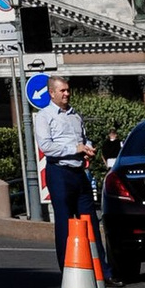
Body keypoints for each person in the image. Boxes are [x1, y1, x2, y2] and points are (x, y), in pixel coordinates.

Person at [34, 74, 94, 272]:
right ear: (52, 93)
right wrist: (74, 149)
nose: (67, 94)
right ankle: (68, 268)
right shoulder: (44, 116)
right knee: (64, 222)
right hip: (59, 172)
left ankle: (102, 269)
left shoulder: (76, 115)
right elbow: (46, 147)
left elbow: (84, 138)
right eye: (63, 90)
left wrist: (87, 148)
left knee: (90, 221)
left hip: (79, 172)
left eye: (68, 90)